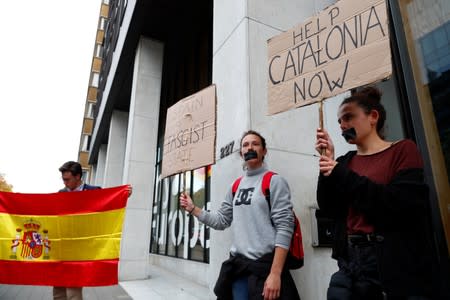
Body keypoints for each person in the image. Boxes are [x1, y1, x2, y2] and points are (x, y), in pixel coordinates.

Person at [315, 86, 435, 299]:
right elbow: (329, 208)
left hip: (390, 261)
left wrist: (340, 174)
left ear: (373, 117)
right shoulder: (344, 163)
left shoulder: (402, 150)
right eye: (339, 122)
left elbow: (398, 205)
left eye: (349, 117)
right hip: (351, 262)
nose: (342, 125)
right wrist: (328, 165)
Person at [180, 130, 300, 300]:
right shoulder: (235, 186)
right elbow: (221, 221)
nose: (250, 147)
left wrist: (275, 274)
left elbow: (285, 227)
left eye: (255, 144)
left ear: (264, 151)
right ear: (241, 153)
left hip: (265, 270)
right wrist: (194, 209)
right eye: (245, 145)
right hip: (239, 270)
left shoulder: (274, 181)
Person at [53, 161, 101, 300]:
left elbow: (111, 202)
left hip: (81, 248)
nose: (64, 183)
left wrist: (124, 194)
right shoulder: (60, 193)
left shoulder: (94, 192)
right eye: (63, 179)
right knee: (58, 288)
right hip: (62, 246)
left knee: (73, 289)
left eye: (67, 179)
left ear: (78, 176)